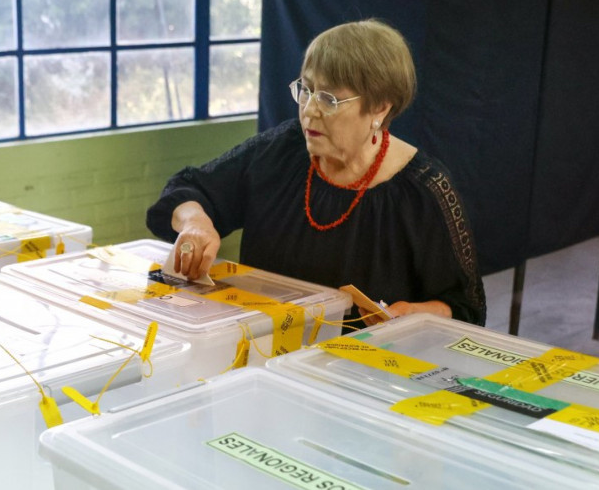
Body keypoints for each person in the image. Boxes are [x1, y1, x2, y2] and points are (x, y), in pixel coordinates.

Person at [146, 19, 485, 328]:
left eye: (328, 99)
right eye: (305, 90)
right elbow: (188, 189)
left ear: (380, 107)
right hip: (266, 350)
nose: (309, 110)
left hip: (364, 371)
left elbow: (465, 309)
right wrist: (195, 222)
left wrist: (417, 313)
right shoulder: (280, 152)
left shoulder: (422, 190)